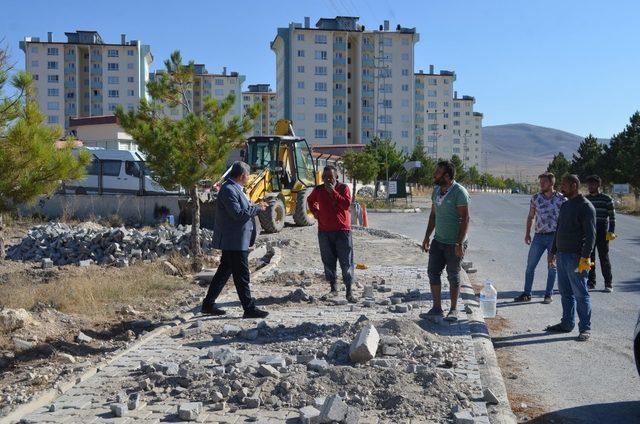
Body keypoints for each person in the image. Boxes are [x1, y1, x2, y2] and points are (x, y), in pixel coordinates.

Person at [201, 161, 270, 318]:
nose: (249, 178)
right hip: (234, 241)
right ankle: (249, 308)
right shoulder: (228, 190)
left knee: (224, 272)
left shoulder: (236, 189)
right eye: (248, 175)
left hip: (237, 240)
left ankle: (208, 304)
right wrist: (257, 208)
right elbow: (237, 214)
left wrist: (256, 206)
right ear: (241, 175)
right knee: (242, 275)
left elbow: (243, 209)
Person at [546, 174, 596, 342]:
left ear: (574, 185)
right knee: (565, 292)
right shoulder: (566, 205)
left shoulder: (586, 207)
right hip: (561, 255)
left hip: (576, 258)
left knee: (581, 293)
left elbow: (591, 236)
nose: (561, 188)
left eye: (564, 185)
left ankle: (585, 329)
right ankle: (567, 324)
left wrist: (585, 258)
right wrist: (552, 251)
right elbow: (558, 229)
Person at [420, 160, 470, 322]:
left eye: (438, 172)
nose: (434, 174)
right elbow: (433, 215)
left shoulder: (459, 192)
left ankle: (454, 309)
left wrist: (459, 243)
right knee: (433, 272)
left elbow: (465, 218)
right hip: (438, 240)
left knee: (453, 274)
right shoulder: (436, 191)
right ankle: (436, 308)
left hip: (454, 242)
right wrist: (427, 236)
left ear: (447, 176)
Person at [307, 165, 356, 303]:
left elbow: (346, 205)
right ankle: (333, 289)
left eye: (331, 177)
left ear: (337, 178)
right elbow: (310, 200)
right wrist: (315, 212)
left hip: (342, 231)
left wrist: (333, 192)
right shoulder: (319, 190)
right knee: (328, 261)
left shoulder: (343, 188)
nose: (328, 180)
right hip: (324, 232)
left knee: (346, 262)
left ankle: (349, 292)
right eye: (325, 177)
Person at [514, 172, 566, 304]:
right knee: (530, 266)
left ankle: (548, 294)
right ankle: (527, 293)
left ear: (551, 183)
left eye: (544, 182)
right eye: (540, 182)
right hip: (538, 237)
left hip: (554, 237)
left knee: (551, 266)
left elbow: (566, 220)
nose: (541, 184)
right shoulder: (536, 198)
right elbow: (531, 216)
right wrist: (527, 233)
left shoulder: (561, 199)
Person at [585, 175, 616, 292]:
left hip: (602, 229)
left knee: (604, 257)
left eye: (592, 184)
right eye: (589, 184)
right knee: (589, 257)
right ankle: (591, 282)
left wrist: (611, 231)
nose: (590, 186)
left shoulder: (607, 199)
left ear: (598, 185)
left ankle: (608, 283)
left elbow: (612, 217)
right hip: (589, 231)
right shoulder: (586, 199)